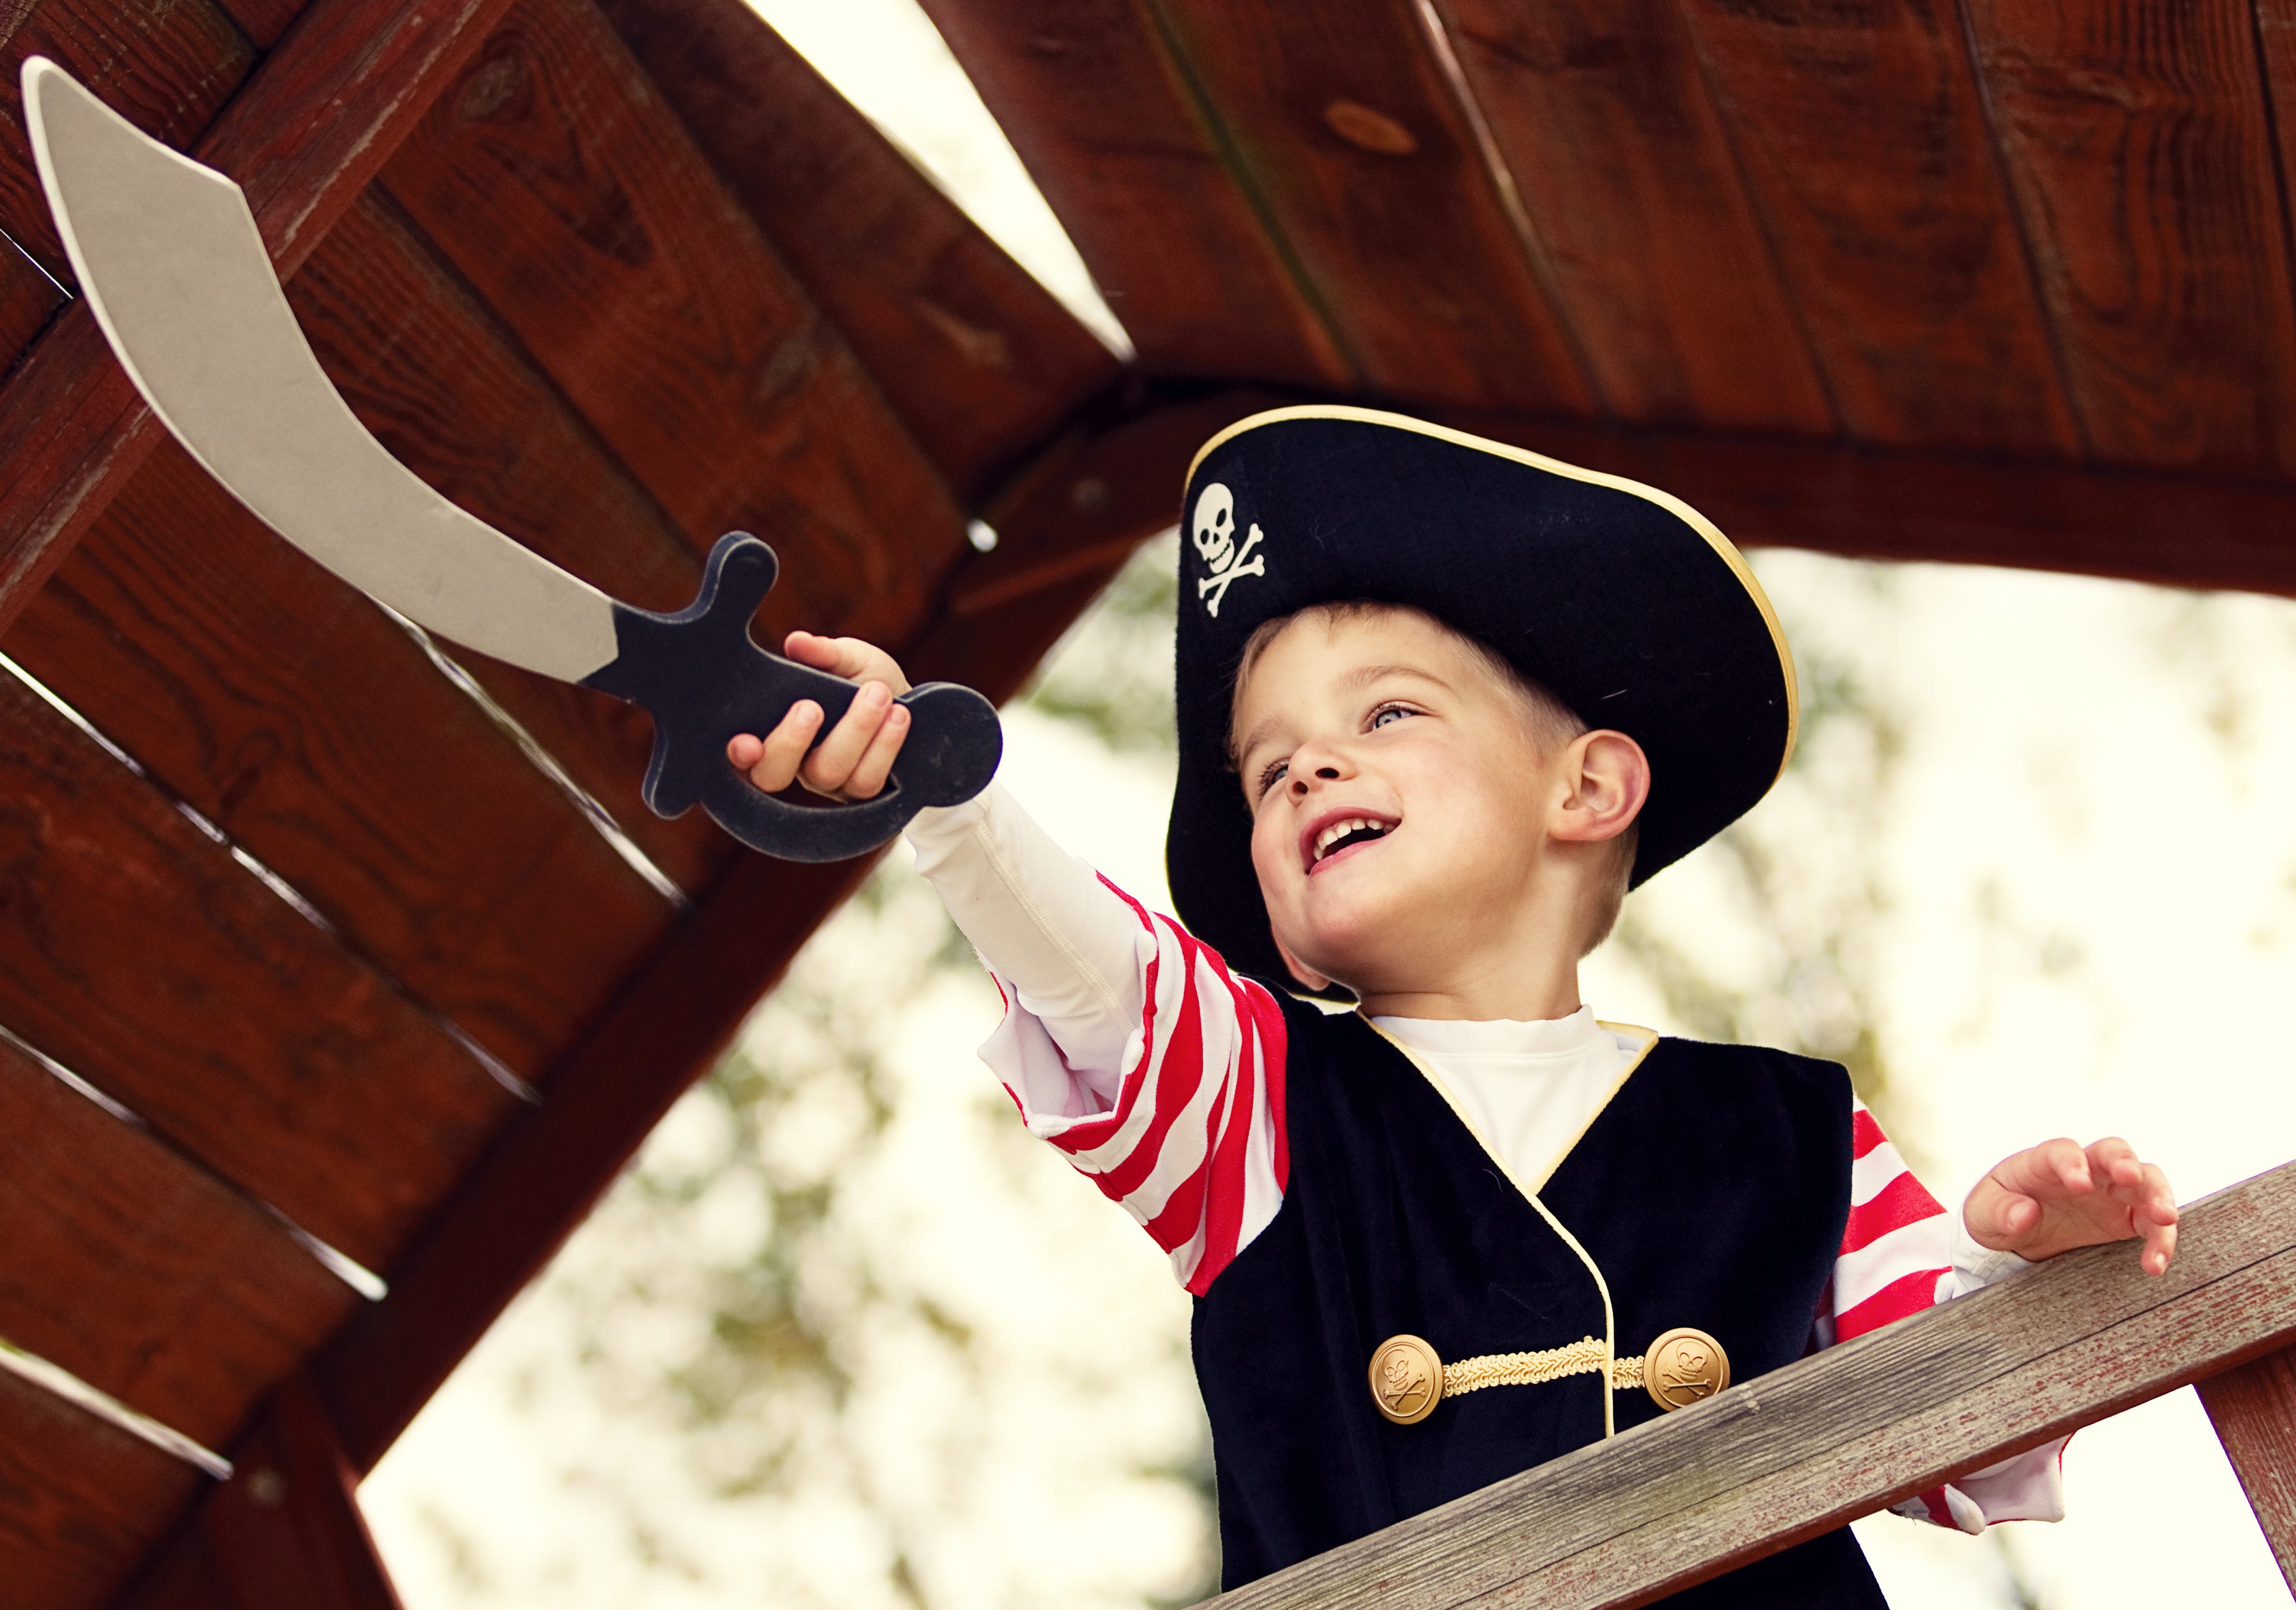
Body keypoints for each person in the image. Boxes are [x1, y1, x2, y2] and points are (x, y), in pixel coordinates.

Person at [726, 406, 2179, 1606]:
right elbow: (1101, 974)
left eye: (1388, 712)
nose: (1305, 769)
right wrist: (950, 799)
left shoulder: (1789, 1129)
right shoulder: (1253, 1110)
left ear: (1586, 787)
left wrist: (2046, 1269)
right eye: (1264, 763)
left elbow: (1960, 1421)